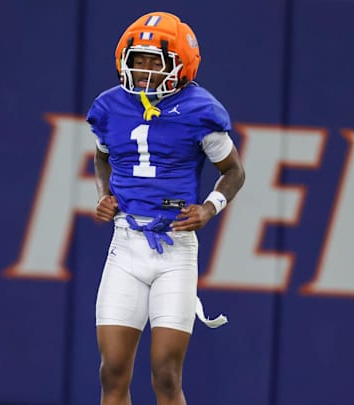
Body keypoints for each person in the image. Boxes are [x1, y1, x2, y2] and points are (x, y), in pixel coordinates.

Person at [87, 11, 246, 405]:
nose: (143, 70)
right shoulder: (109, 107)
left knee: (166, 372)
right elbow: (103, 155)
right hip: (126, 243)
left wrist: (210, 208)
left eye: (153, 61)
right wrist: (106, 194)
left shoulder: (199, 109)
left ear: (180, 63)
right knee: (112, 370)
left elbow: (233, 171)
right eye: (137, 59)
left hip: (174, 245)